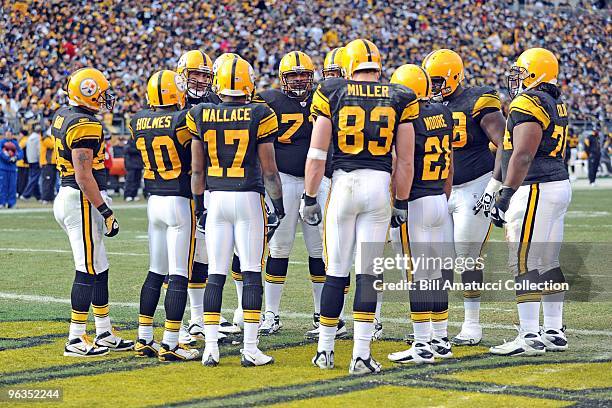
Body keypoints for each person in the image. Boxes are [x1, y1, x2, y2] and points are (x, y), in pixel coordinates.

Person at [303, 39, 418, 375]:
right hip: (379, 187)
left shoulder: (333, 91)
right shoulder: (399, 95)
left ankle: (325, 350)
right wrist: (403, 201)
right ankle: (361, 355)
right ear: (378, 66)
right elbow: (406, 162)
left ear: (348, 65)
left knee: (336, 270)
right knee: (368, 273)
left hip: (343, 185)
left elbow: (317, 153)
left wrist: (309, 196)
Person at [189, 57, 284, 367]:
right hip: (246, 197)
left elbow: (197, 169)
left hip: (216, 197)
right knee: (252, 270)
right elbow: (269, 171)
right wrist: (279, 205)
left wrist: (200, 203)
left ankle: (211, 348)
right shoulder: (260, 113)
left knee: (216, 272)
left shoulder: (201, 113)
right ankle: (251, 347)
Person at [252, 51, 340, 338]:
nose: (300, 80)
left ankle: (321, 315)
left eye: (304, 74)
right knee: (279, 248)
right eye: (293, 75)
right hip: (285, 182)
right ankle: (271, 314)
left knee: (320, 251)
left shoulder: (324, 96)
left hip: (318, 181)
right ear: (283, 79)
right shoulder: (269, 100)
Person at [490, 48, 571, 356]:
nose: (518, 79)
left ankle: (529, 336)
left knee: (523, 260)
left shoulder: (528, 102)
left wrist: (505, 194)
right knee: (548, 260)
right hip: (556, 183)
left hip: (536, 186)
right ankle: (553, 330)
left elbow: (523, 154)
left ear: (535, 73)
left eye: (522, 72)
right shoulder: (555, 101)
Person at [423, 49, 506, 346]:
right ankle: (436, 327)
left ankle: (472, 325)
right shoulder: (430, 107)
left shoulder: (478, 100)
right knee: (438, 258)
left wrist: (493, 187)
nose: (432, 86)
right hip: (441, 189)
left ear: (454, 75)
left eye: (437, 80)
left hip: (474, 186)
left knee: (467, 258)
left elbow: (504, 144)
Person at [52, 67, 133, 357]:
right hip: (80, 198)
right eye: (100, 93)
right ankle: (75, 338)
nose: (104, 98)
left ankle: (104, 331)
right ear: (87, 91)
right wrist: (105, 210)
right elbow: (84, 174)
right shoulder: (85, 124)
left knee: (99, 266)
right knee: (87, 268)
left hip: (69, 195)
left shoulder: (64, 113)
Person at [386, 64, 455, 364]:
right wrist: (443, 195)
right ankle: (441, 339)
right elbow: (450, 164)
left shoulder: (407, 119)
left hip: (415, 202)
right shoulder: (445, 114)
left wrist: (395, 201)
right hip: (439, 197)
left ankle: (422, 343)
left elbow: (401, 164)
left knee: (416, 275)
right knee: (436, 274)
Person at [130, 69, 199, 361]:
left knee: (155, 272)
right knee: (179, 274)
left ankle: (144, 337)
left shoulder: (137, 120)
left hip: (153, 201)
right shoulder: (183, 120)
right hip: (178, 201)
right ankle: (171, 342)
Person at [175, 50, 239, 344]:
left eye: (204, 75)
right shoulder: (171, 102)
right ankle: (188, 320)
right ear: (181, 75)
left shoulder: (215, 103)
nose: (200, 80)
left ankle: (199, 317)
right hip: (178, 188)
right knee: (181, 258)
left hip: (210, 186)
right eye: (195, 74)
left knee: (205, 254)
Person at [0, 130, 24, 208]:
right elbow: (1, 152)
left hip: (13, 169)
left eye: (10, 134)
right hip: (3, 168)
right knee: (3, 186)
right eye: (7, 134)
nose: (8, 135)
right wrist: (8, 158)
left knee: (12, 187)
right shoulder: (1, 142)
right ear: (4, 134)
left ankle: (11, 203)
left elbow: (21, 153)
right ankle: (2, 203)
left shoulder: (15, 143)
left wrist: (16, 157)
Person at [22, 126, 41, 200]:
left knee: (34, 178)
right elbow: (39, 150)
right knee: (34, 178)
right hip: (36, 160)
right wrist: (40, 160)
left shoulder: (30, 138)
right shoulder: (38, 138)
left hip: (30, 160)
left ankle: (38, 196)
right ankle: (25, 194)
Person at [40, 125, 57, 203]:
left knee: (52, 181)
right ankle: (45, 198)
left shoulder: (49, 138)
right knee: (47, 181)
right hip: (47, 163)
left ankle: (50, 197)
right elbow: (52, 145)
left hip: (52, 163)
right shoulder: (46, 138)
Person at [16, 130, 29, 197]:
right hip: (24, 163)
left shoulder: (23, 141)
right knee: (23, 179)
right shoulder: (26, 140)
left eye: (20, 134)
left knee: (21, 180)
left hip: (23, 163)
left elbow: (16, 149)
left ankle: (20, 192)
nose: (18, 136)